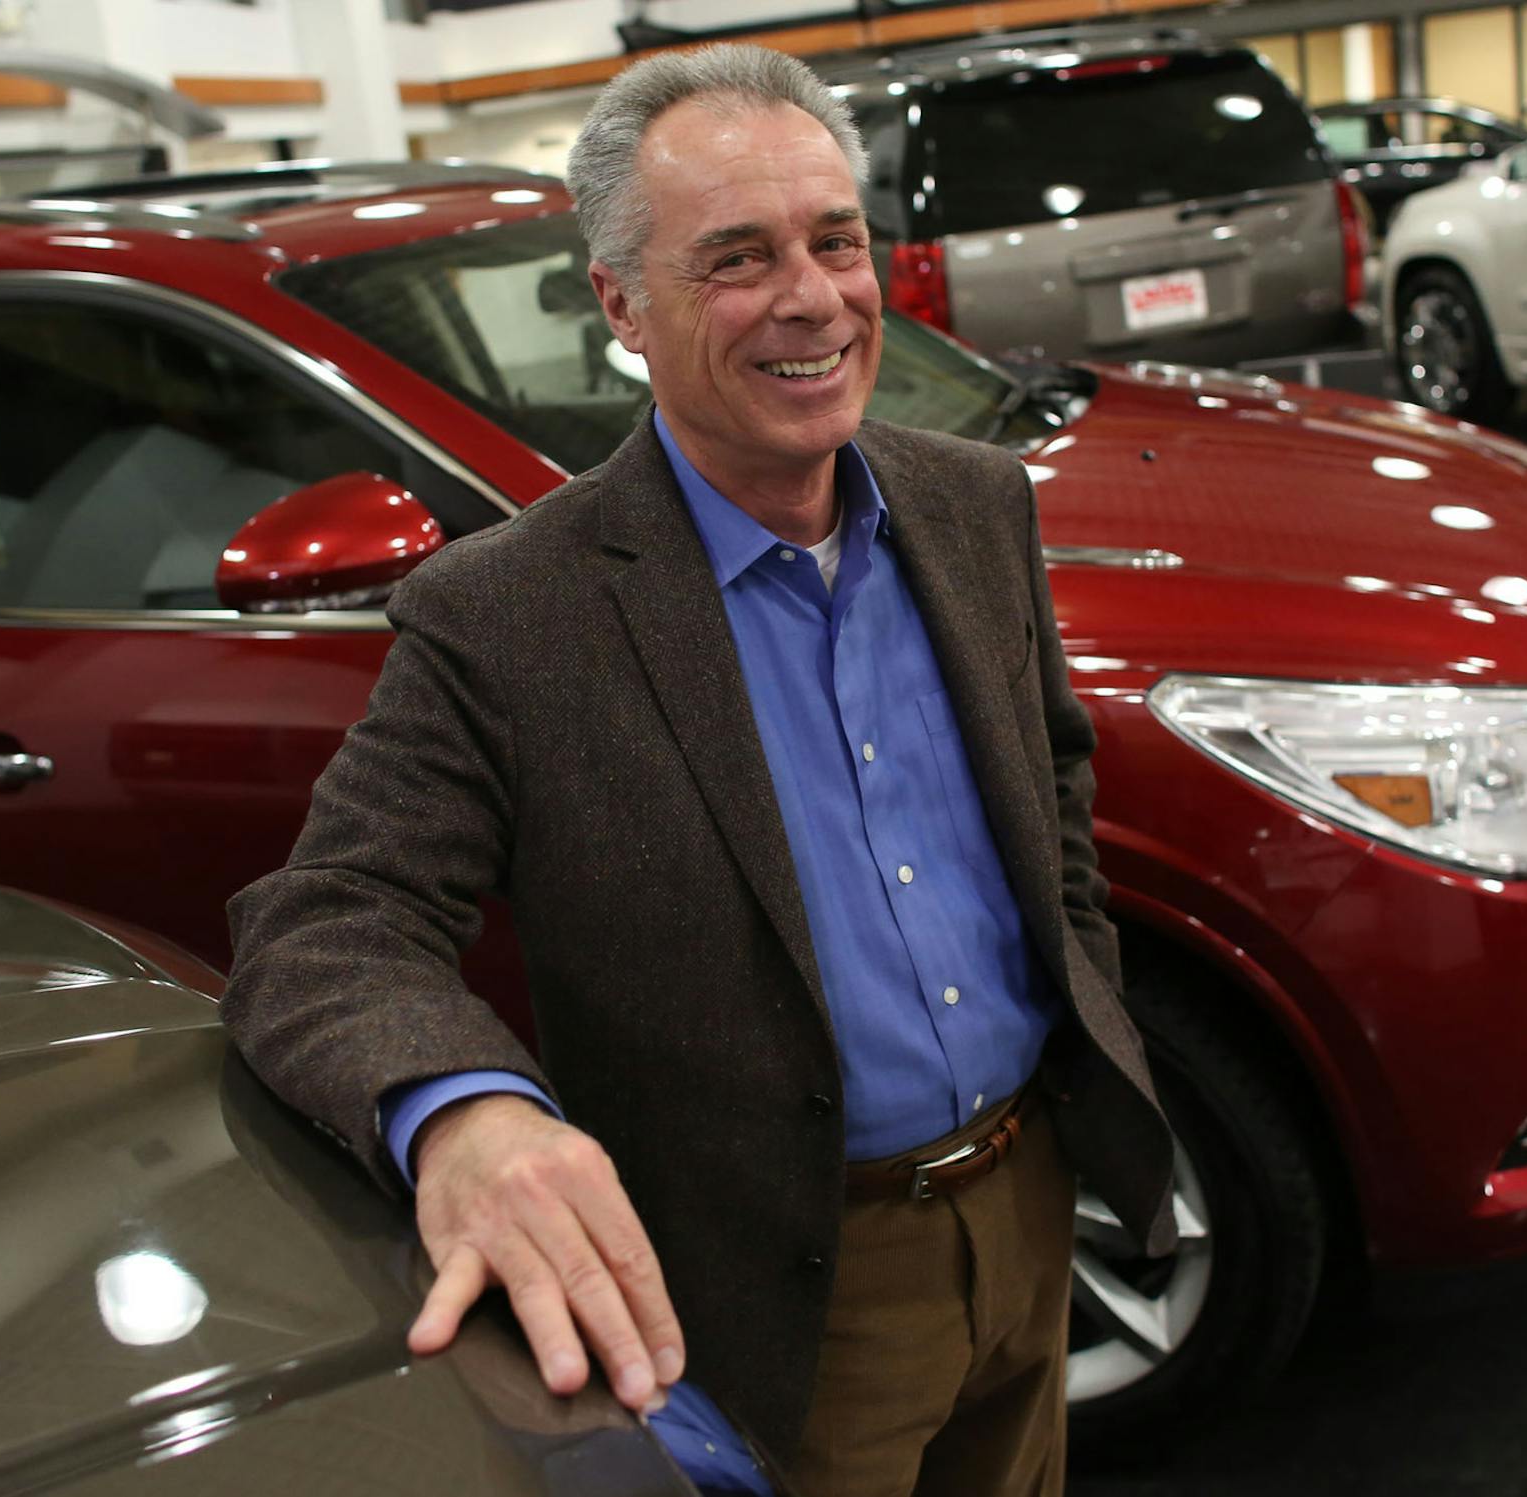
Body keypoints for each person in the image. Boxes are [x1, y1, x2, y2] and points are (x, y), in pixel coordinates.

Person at [220, 43, 1174, 1497]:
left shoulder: (973, 506)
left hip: (1029, 1200)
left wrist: (1079, 1008)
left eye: (834, 240)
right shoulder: (515, 612)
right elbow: (323, 922)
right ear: (621, 303)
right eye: (737, 258)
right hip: (787, 1282)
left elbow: (1052, 788)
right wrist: (468, 1113)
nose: (812, 298)